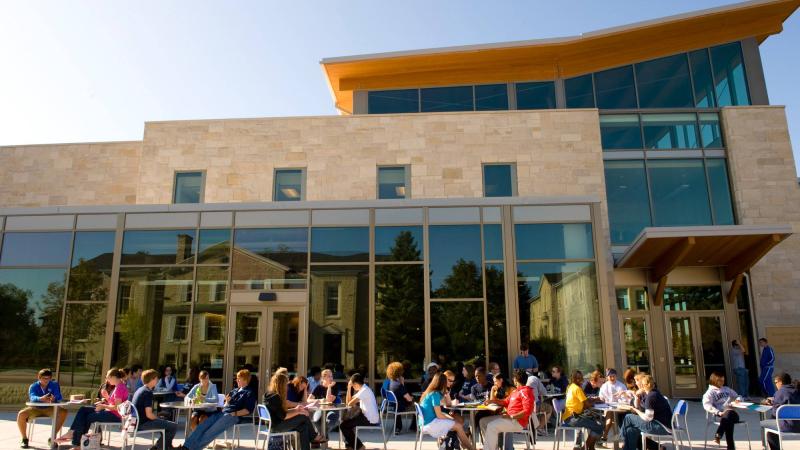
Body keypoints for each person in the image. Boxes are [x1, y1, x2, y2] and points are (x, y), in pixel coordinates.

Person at [183, 369, 258, 450]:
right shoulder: (235, 390)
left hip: (232, 416)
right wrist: (227, 403)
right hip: (222, 412)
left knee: (211, 432)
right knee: (202, 426)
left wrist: (234, 414)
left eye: (239, 378)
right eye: (237, 378)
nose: (237, 380)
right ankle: (185, 446)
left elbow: (248, 410)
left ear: (245, 379)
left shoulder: (249, 393)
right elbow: (225, 404)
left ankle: (194, 448)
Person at [55, 368, 128, 447]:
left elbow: (117, 407)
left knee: (89, 417)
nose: (106, 380)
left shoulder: (119, 388)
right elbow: (114, 403)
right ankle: (72, 433)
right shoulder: (118, 386)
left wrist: (103, 406)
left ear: (113, 377)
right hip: (111, 412)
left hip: (115, 416)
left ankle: (77, 442)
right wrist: (107, 397)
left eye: (107, 377)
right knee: (83, 410)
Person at [263, 372, 321, 450]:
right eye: (286, 384)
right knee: (303, 416)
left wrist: (296, 409)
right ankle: (314, 437)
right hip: (276, 426)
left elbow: (282, 413)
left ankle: (310, 442)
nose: (287, 387)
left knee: (303, 427)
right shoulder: (275, 397)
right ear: (281, 385)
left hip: (272, 424)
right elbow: (284, 416)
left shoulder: (268, 394)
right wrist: (298, 412)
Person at [480, 370, 536, 450]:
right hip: (508, 418)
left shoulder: (525, 392)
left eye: (514, 378)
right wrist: (491, 401)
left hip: (517, 421)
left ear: (515, 379)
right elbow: (505, 402)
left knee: (491, 426)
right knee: (484, 421)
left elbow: (528, 410)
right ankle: (492, 447)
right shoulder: (516, 391)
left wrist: (512, 416)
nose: (513, 379)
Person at [419, 373, 475, 450]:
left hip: (426, 422)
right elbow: (439, 415)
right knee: (458, 426)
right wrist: (451, 420)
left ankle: (464, 445)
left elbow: (447, 404)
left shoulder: (431, 393)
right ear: (443, 383)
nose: (449, 383)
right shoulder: (435, 394)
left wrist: (447, 394)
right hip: (430, 424)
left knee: (457, 424)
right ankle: (470, 448)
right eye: (447, 381)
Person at [17, 369, 68, 449]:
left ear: (51, 378)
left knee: (64, 412)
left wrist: (54, 398)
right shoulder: (33, 386)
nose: (46, 380)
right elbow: (32, 397)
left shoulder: (54, 384)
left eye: (48, 378)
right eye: (44, 378)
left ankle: (52, 438)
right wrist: (40, 398)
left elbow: (59, 396)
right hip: (35, 409)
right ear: (39, 378)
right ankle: (24, 439)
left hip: (50, 408)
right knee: (21, 414)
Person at [619, 373, 672, 450]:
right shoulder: (651, 393)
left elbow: (648, 418)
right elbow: (644, 410)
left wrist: (637, 411)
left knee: (628, 417)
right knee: (631, 430)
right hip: (658, 423)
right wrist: (636, 399)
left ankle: (622, 438)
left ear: (643, 385)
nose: (636, 384)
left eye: (637, 381)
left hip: (661, 427)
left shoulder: (651, 396)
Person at [131, 369, 177, 449]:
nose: (158, 380)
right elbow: (149, 415)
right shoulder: (147, 392)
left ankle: (165, 446)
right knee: (173, 426)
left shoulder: (140, 390)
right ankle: (158, 448)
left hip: (136, 421)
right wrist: (158, 418)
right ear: (152, 379)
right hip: (142, 423)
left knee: (165, 422)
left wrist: (158, 416)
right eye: (156, 378)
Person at [562, 371, 603, 450]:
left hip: (568, 417)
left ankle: (590, 447)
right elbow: (587, 404)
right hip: (573, 418)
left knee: (596, 422)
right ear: (574, 379)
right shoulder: (577, 389)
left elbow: (582, 401)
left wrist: (593, 400)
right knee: (599, 426)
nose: (581, 380)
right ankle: (585, 447)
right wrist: (595, 401)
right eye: (578, 378)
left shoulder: (570, 386)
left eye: (581, 378)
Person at [340, 373, 381, 450]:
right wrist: (349, 388)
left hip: (369, 419)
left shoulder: (364, 391)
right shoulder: (363, 389)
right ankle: (350, 445)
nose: (352, 386)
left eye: (352, 384)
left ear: (355, 383)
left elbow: (349, 403)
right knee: (346, 421)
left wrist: (349, 388)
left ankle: (359, 446)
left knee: (343, 426)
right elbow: (349, 402)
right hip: (366, 416)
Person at [761, 372, 800, 450]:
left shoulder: (780, 392)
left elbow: (776, 413)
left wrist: (772, 404)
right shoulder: (797, 390)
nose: (775, 385)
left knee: (765, 424)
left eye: (776, 382)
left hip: (789, 426)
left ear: (780, 382)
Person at [702, 372, 741, 450]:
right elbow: (707, 405)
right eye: (720, 381)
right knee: (728, 422)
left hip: (733, 415)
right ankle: (730, 447)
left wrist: (738, 399)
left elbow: (738, 396)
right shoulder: (710, 392)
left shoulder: (726, 389)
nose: (722, 382)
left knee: (729, 413)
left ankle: (718, 435)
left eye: (723, 380)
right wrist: (718, 412)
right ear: (714, 381)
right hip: (720, 415)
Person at [598, 369, 629, 441]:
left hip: (621, 408)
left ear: (616, 376)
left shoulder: (621, 385)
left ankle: (606, 434)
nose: (612, 378)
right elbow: (601, 397)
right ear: (607, 377)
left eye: (613, 376)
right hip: (609, 407)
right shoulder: (604, 386)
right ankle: (607, 435)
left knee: (611, 413)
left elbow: (625, 399)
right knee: (610, 412)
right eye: (610, 376)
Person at [308, 368, 340, 435]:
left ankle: (322, 437)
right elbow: (309, 400)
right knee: (316, 420)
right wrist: (319, 400)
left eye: (331, 376)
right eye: (329, 376)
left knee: (330, 423)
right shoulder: (319, 387)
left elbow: (329, 400)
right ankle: (324, 438)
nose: (331, 378)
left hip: (332, 409)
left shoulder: (335, 387)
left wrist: (329, 387)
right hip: (320, 409)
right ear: (323, 378)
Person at [385, 362, 414, 433]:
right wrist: (402, 384)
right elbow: (409, 399)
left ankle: (398, 427)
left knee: (399, 404)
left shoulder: (387, 382)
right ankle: (413, 427)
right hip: (400, 406)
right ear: (400, 372)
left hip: (391, 405)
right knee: (416, 406)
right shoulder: (399, 385)